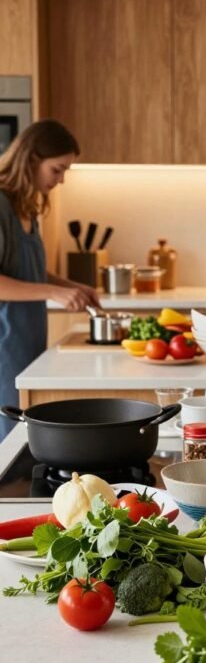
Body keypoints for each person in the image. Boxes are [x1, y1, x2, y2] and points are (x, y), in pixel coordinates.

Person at [0, 120, 100, 440]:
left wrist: (71, 287)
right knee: (8, 445)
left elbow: (27, 269)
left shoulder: (26, 206)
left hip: (24, 343)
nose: (61, 180)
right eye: (57, 170)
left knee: (22, 440)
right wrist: (53, 293)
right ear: (31, 160)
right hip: (3, 347)